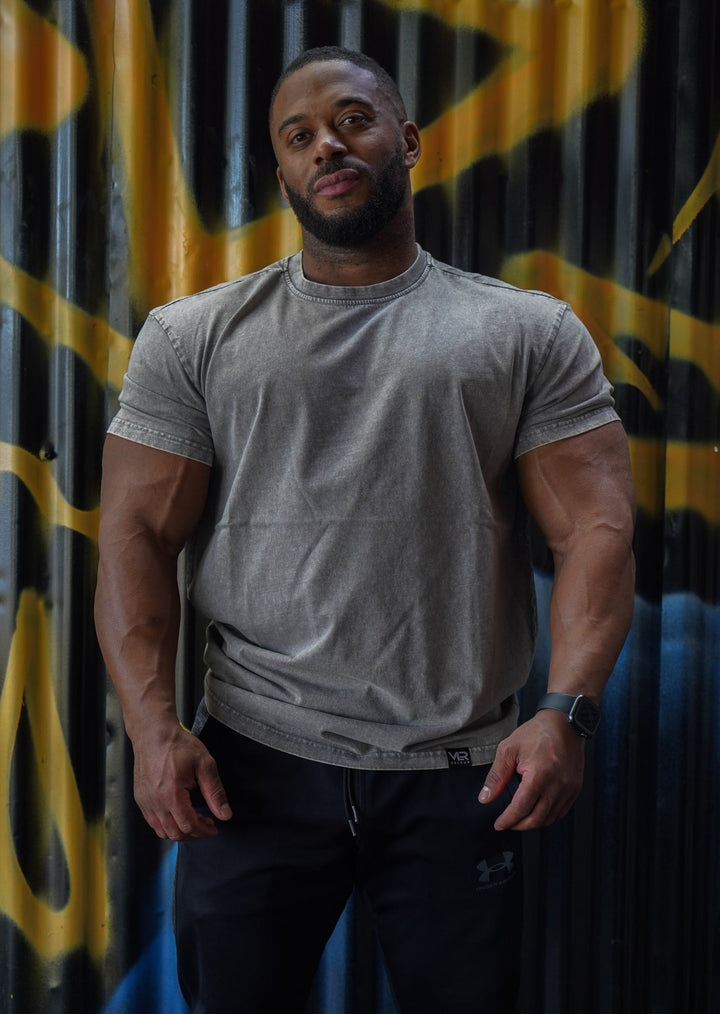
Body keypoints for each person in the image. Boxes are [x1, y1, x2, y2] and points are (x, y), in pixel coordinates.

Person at [95, 46, 636, 1014]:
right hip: (252, 774)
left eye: (351, 119)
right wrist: (151, 729)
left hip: (463, 774)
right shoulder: (194, 337)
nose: (327, 146)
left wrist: (567, 714)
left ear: (409, 139)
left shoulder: (524, 332)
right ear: (281, 172)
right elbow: (134, 533)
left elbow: (595, 528)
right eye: (298, 137)